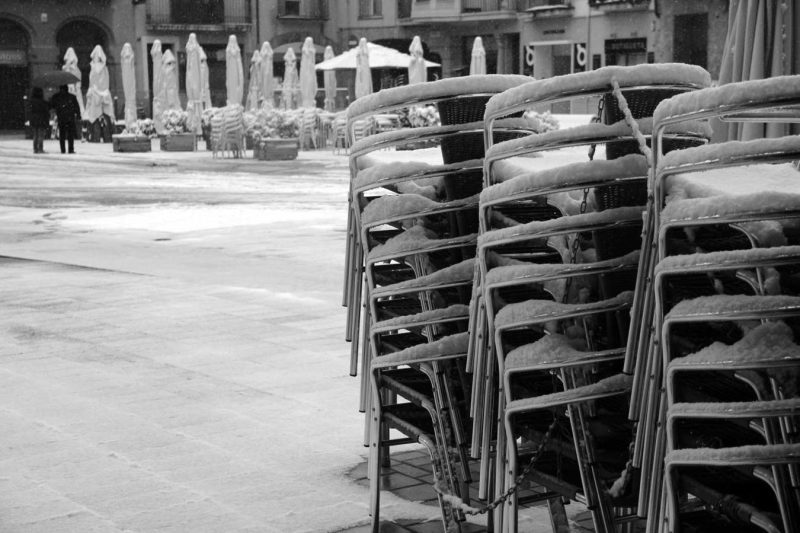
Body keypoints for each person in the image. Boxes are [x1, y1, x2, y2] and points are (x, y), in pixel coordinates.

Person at [50, 85, 81, 154]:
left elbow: (52, 105)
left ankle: (63, 149)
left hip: (61, 118)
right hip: (70, 117)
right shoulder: (72, 97)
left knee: (62, 134)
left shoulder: (57, 97)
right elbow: (77, 107)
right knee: (70, 135)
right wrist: (78, 115)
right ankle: (70, 149)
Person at [29, 87, 50, 154]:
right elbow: (46, 111)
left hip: (34, 119)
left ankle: (35, 149)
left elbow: (30, 111)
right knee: (41, 135)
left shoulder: (31, 102)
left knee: (35, 134)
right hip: (41, 119)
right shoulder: (43, 102)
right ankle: (40, 148)